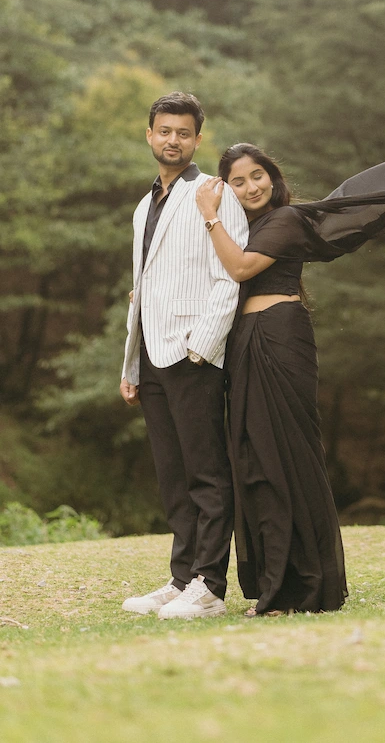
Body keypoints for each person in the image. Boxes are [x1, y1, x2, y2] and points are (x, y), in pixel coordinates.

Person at [195, 143, 354, 615]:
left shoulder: (285, 220)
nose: (251, 187)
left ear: (273, 176)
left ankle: (305, 586)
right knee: (255, 461)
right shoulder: (242, 227)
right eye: (238, 182)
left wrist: (210, 215)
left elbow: (241, 268)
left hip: (279, 337)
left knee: (286, 455)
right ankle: (275, 584)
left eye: (257, 176)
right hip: (244, 341)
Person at [120, 93, 248, 621]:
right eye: (164, 130)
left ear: (198, 139)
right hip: (151, 355)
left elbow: (230, 277)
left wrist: (202, 347)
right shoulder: (143, 205)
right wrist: (130, 365)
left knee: (206, 472)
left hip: (193, 353)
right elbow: (141, 287)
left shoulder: (214, 194)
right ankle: (181, 578)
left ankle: (210, 585)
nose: (173, 139)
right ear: (149, 135)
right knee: (173, 473)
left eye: (183, 132)